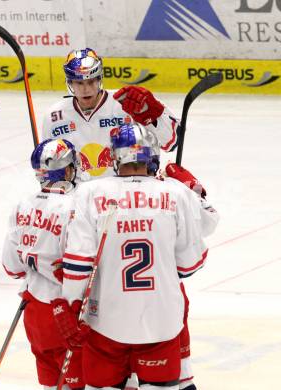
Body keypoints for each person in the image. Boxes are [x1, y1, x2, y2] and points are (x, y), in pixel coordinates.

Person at [51, 123, 219, 390]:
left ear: (115, 158)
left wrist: (72, 307)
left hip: (105, 322)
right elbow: (189, 265)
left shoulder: (90, 193)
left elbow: (78, 265)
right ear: (151, 156)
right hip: (162, 321)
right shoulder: (175, 193)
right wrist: (194, 191)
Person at [2, 139, 85, 390]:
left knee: (51, 384)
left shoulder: (22, 204)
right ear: (69, 170)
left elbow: (11, 267)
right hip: (67, 311)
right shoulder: (76, 206)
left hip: (34, 312)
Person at [41, 48, 179, 181]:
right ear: (70, 83)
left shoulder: (126, 102)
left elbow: (172, 142)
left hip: (124, 194)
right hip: (78, 198)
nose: (86, 89)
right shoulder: (54, 117)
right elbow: (49, 166)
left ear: (99, 79)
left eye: (91, 81)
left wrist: (152, 116)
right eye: (79, 83)